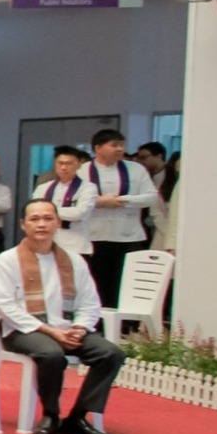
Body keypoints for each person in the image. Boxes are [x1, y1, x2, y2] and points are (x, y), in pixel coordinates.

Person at [0, 199, 123, 434]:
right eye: (34, 219)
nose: (41, 224)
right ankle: (51, 414)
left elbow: (90, 302)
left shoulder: (74, 260)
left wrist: (79, 328)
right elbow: (6, 306)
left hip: (69, 329)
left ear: (58, 223)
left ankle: (79, 416)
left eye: (48, 218)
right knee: (51, 354)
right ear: (23, 224)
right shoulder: (7, 260)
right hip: (24, 330)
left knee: (111, 353)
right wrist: (52, 332)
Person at [80, 128, 158, 309]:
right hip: (94, 237)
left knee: (126, 285)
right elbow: (74, 200)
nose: (120, 149)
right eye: (114, 145)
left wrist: (123, 200)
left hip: (128, 237)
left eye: (122, 145)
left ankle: (127, 322)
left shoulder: (136, 169)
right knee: (96, 284)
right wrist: (99, 202)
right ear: (98, 148)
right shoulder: (82, 171)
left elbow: (152, 197)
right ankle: (97, 321)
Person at [31, 146, 96, 259]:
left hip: (77, 245)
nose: (63, 167)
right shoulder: (43, 188)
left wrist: (48, 211)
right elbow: (35, 211)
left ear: (78, 164)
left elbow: (80, 213)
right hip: (47, 243)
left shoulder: (88, 188)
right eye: (60, 163)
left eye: (69, 163)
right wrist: (58, 213)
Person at [135, 142, 170, 249]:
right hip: (145, 230)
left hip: (163, 228)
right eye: (139, 158)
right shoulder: (142, 177)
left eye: (144, 157)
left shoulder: (171, 176)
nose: (140, 162)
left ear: (159, 156)